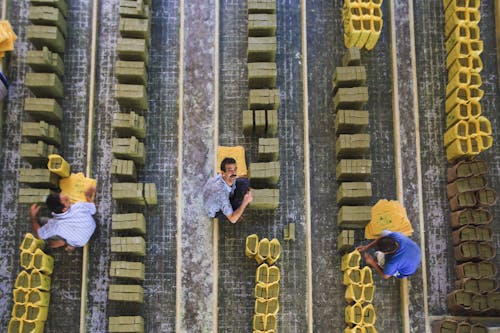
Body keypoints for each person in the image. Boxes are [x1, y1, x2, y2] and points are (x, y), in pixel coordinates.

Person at [29, 186, 97, 252]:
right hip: (92, 227)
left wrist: (33, 216)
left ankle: (65, 242)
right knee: (44, 221)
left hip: (81, 242)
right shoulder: (79, 206)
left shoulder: (54, 226)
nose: (68, 197)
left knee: (41, 221)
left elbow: (39, 235)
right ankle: (68, 245)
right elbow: (93, 210)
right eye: (66, 200)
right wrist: (88, 196)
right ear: (64, 209)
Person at [203, 157, 253, 223]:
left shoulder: (224, 177)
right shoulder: (221, 193)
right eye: (230, 170)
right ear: (223, 173)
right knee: (240, 202)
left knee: (244, 182)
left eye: (235, 169)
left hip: (214, 197)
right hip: (215, 211)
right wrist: (245, 202)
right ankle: (234, 213)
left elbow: (237, 178)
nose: (234, 173)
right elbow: (233, 220)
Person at [356, 230, 421, 279]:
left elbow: (385, 276)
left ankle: (384, 265)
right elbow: (381, 239)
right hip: (415, 252)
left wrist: (372, 262)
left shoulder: (392, 262)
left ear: (385, 253)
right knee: (385, 233)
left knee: (378, 256)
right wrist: (366, 247)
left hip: (406, 271)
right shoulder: (396, 236)